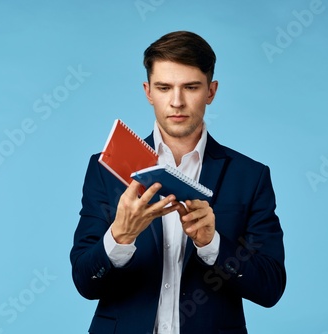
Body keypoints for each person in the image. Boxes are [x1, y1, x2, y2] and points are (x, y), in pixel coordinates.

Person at [70, 30, 286, 334]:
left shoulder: (250, 176)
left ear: (211, 92)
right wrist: (119, 236)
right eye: (164, 87)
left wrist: (212, 244)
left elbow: (271, 287)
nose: (177, 101)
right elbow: (84, 281)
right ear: (148, 92)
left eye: (191, 87)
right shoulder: (105, 168)